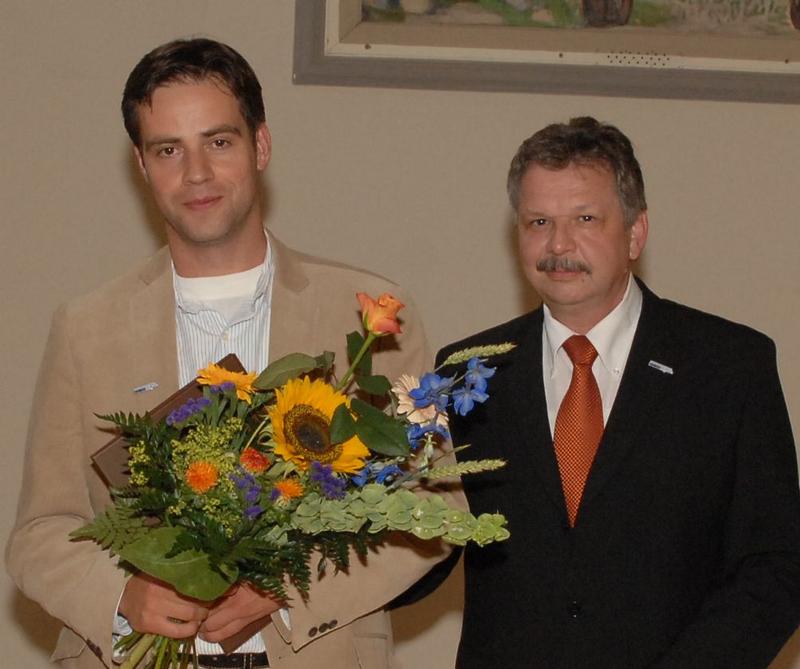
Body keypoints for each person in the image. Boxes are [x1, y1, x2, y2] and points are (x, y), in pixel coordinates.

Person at [6, 38, 458, 669]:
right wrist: (122, 596)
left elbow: (435, 508)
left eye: (218, 142)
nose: (196, 173)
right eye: (169, 150)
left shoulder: (367, 316)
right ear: (141, 165)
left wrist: (287, 588)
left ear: (260, 146)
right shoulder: (87, 329)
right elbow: (40, 533)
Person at [436, 117, 800, 667]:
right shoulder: (467, 374)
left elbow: (775, 565)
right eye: (538, 221)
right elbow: (424, 549)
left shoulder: (727, 366)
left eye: (585, 219)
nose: (558, 244)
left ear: (634, 232)